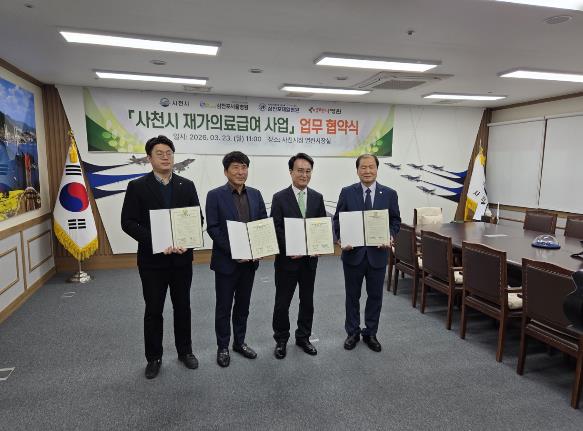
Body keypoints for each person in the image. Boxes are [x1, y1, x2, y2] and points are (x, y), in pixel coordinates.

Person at [121, 135, 202, 379]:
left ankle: (185, 351)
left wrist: (186, 241)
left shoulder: (186, 185)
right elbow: (128, 222)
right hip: (152, 261)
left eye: (169, 153)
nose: (165, 157)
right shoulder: (137, 186)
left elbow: (197, 218)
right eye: (159, 153)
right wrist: (156, 241)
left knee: (183, 307)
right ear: (149, 158)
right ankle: (154, 357)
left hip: (181, 260)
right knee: (154, 309)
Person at [333, 154, 401, 352]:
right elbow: (337, 220)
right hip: (352, 254)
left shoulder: (389, 194)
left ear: (377, 169)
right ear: (357, 170)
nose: (368, 171)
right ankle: (352, 332)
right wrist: (340, 238)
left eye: (371, 167)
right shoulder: (347, 192)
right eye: (363, 167)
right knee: (352, 297)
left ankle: (371, 333)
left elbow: (395, 221)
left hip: (378, 255)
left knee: (375, 296)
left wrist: (390, 235)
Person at [205, 151, 267, 367]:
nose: (241, 172)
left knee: (243, 305)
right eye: (236, 167)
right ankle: (222, 346)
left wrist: (261, 246)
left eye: (244, 167)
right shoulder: (215, 195)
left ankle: (239, 342)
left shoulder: (256, 194)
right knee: (223, 307)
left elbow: (262, 223)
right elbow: (213, 228)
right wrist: (235, 251)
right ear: (226, 171)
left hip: (249, 264)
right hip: (226, 263)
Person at [270, 153, 327, 359]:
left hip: (309, 262)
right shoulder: (279, 198)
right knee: (282, 303)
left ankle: (303, 337)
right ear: (291, 172)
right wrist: (289, 248)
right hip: (287, 261)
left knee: (307, 301)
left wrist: (320, 244)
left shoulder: (317, 197)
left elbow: (320, 225)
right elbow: (276, 228)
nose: (304, 175)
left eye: (308, 171)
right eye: (300, 170)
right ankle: (281, 339)